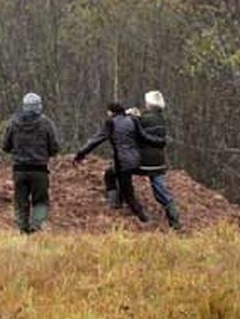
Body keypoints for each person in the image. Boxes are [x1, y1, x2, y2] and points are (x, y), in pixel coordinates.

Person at [75, 102, 165, 223]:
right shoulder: (132, 120)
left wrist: (81, 153)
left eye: (108, 111)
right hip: (135, 160)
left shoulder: (111, 123)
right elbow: (144, 137)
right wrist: (159, 141)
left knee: (128, 194)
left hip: (123, 162)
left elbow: (97, 139)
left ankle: (144, 218)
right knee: (110, 174)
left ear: (111, 112)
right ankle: (115, 202)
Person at [1, 93, 60, 234]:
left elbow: (5, 146)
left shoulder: (13, 123)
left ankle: (22, 229)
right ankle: (36, 226)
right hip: (39, 169)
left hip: (19, 169)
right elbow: (54, 147)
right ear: (39, 106)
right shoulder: (46, 123)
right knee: (40, 200)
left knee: (20, 201)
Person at [132, 91, 182, 230]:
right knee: (160, 189)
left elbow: (136, 132)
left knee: (118, 172)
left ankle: (118, 202)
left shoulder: (144, 119)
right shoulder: (162, 118)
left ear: (149, 103)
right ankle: (174, 219)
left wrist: (132, 116)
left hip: (143, 160)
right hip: (159, 160)